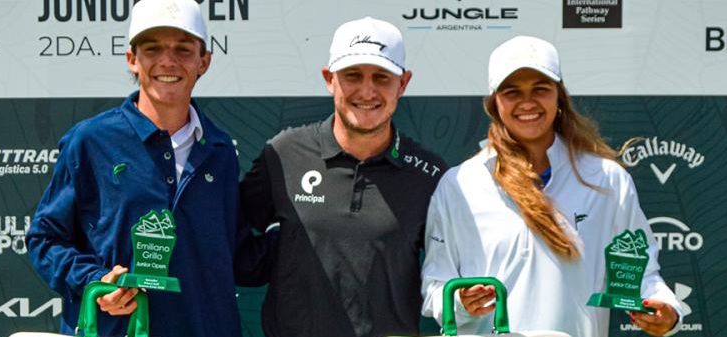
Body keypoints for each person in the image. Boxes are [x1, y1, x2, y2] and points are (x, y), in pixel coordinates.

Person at [420, 36, 683, 336]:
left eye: (540, 89)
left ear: (559, 97)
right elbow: (435, 288)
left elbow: (641, 275)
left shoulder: (607, 180)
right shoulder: (460, 184)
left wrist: (666, 310)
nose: (527, 103)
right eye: (512, 92)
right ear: (494, 103)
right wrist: (459, 304)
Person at [26, 0, 246, 335]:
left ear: (204, 61)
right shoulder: (90, 140)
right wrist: (95, 282)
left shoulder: (221, 151)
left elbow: (237, 251)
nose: (167, 61)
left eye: (183, 50)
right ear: (132, 59)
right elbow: (45, 239)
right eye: (152, 48)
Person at [237, 17, 448, 337]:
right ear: (329, 79)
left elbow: (447, 274)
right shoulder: (282, 155)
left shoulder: (430, 174)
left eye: (382, 77)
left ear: (402, 84)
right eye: (352, 75)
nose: (367, 91)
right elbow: (228, 238)